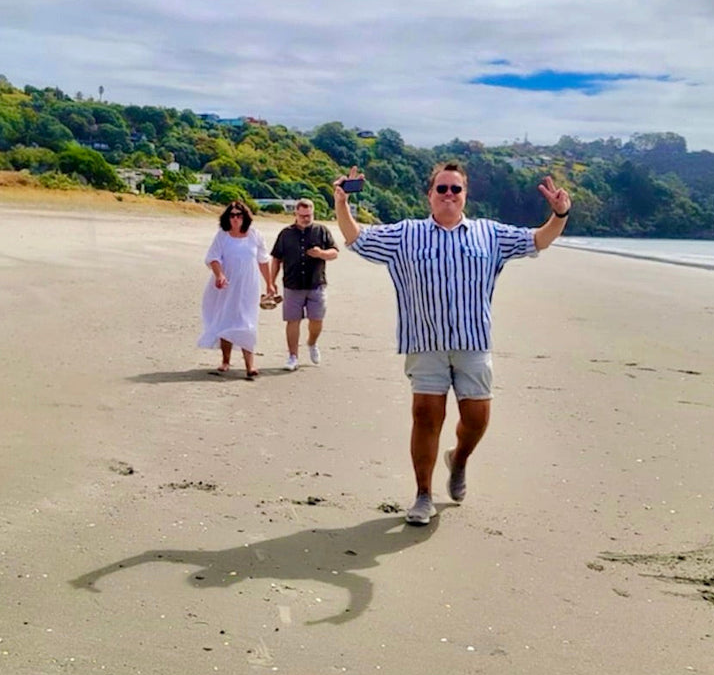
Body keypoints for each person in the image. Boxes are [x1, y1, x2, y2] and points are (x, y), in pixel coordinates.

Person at [332, 162, 571, 525]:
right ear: (429, 195)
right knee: (426, 417)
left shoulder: (489, 234)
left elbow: (538, 239)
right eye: (441, 189)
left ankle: (458, 459)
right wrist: (342, 204)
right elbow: (357, 239)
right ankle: (423, 494)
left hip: (473, 341)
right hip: (425, 342)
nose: (448, 195)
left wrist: (560, 213)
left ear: (465, 196)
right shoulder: (406, 234)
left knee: (476, 418)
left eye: (455, 189)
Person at [197, 201, 277, 379]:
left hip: (249, 285)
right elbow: (213, 258)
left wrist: (270, 283)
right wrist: (219, 275)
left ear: (245, 217)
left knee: (247, 321)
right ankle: (226, 360)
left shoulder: (255, 235)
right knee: (227, 320)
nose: (235, 219)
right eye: (232, 215)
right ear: (227, 217)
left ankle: (250, 365)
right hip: (226, 284)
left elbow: (263, 261)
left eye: (239, 215)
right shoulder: (222, 236)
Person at [269, 198, 339, 371]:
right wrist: (271, 282)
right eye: (302, 216)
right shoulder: (285, 234)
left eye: (309, 216)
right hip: (292, 285)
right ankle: (293, 356)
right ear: (296, 214)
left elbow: (335, 252)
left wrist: (321, 253)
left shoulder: (321, 230)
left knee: (317, 320)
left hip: (316, 283)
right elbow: (276, 258)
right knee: (292, 321)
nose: (306, 219)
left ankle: (312, 343)